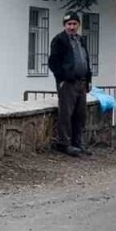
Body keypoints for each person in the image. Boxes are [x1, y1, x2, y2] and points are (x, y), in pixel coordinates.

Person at [47, 12, 92, 157]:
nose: (72, 27)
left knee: (80, 114)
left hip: (81, 82)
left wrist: (88, 79)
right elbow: (53, 62)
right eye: (69, 24)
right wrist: (62, 79)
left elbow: (86, 60)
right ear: (64, 25)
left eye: (74, 24)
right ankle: (64, 143)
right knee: (66, 114)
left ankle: (77, 143)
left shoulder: (80, 40)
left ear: (78, 25)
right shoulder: (59, 40)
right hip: (68, 83)